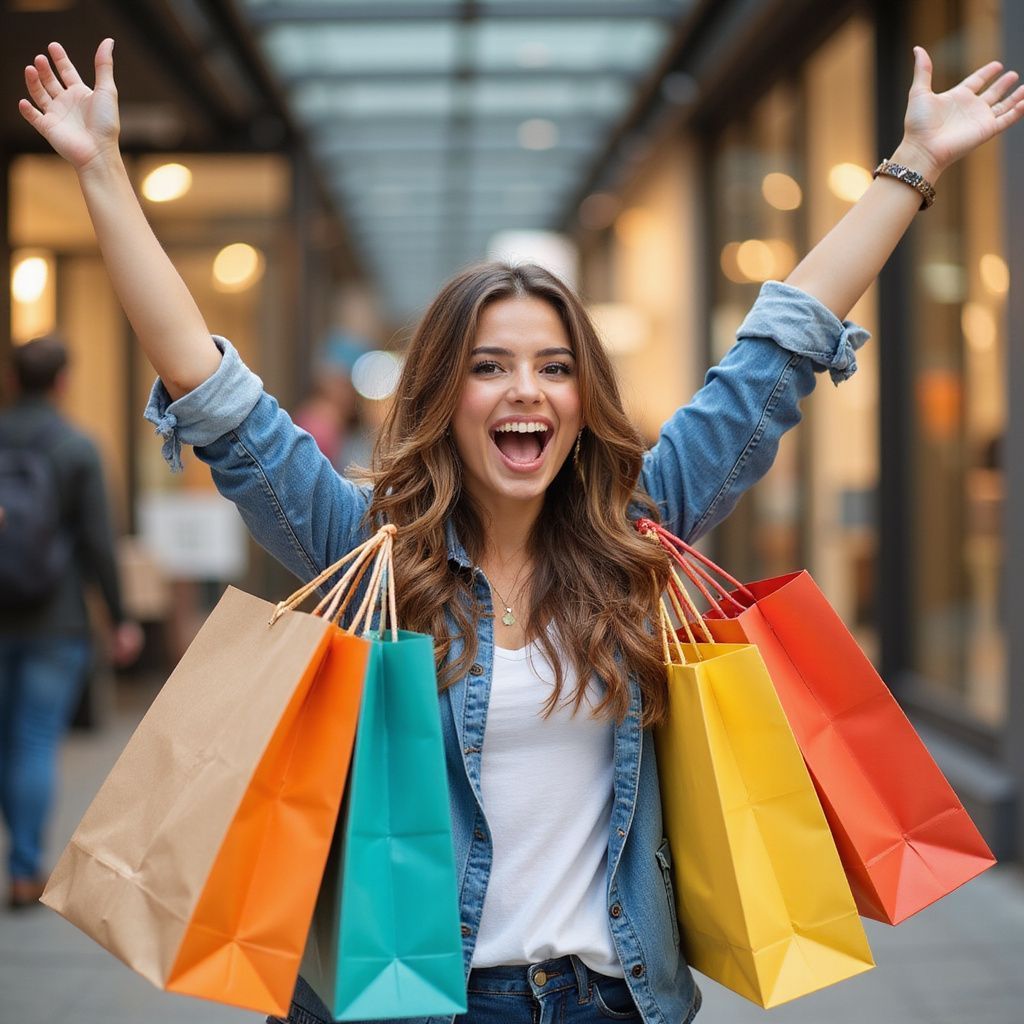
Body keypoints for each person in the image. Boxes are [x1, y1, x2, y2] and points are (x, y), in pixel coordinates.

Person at [18, 36, 1022, 1023]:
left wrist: (915, 165)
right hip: (420, 997)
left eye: (553, 365)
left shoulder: (638, 533)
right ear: (443, 393)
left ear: (584, 394)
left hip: (612, 996)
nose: (524, 390)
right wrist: (101, 170)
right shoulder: (369, 548)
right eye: (489, 365)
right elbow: (215, 396)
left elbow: (775, 353)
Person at [0, 334, 143, 909]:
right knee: (34, 741)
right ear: (63, 382)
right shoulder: (77, 447)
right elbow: (98, 545)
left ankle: (22, 855)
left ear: (13, 380)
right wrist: (121, 616)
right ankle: (25, 868)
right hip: (55, 621)